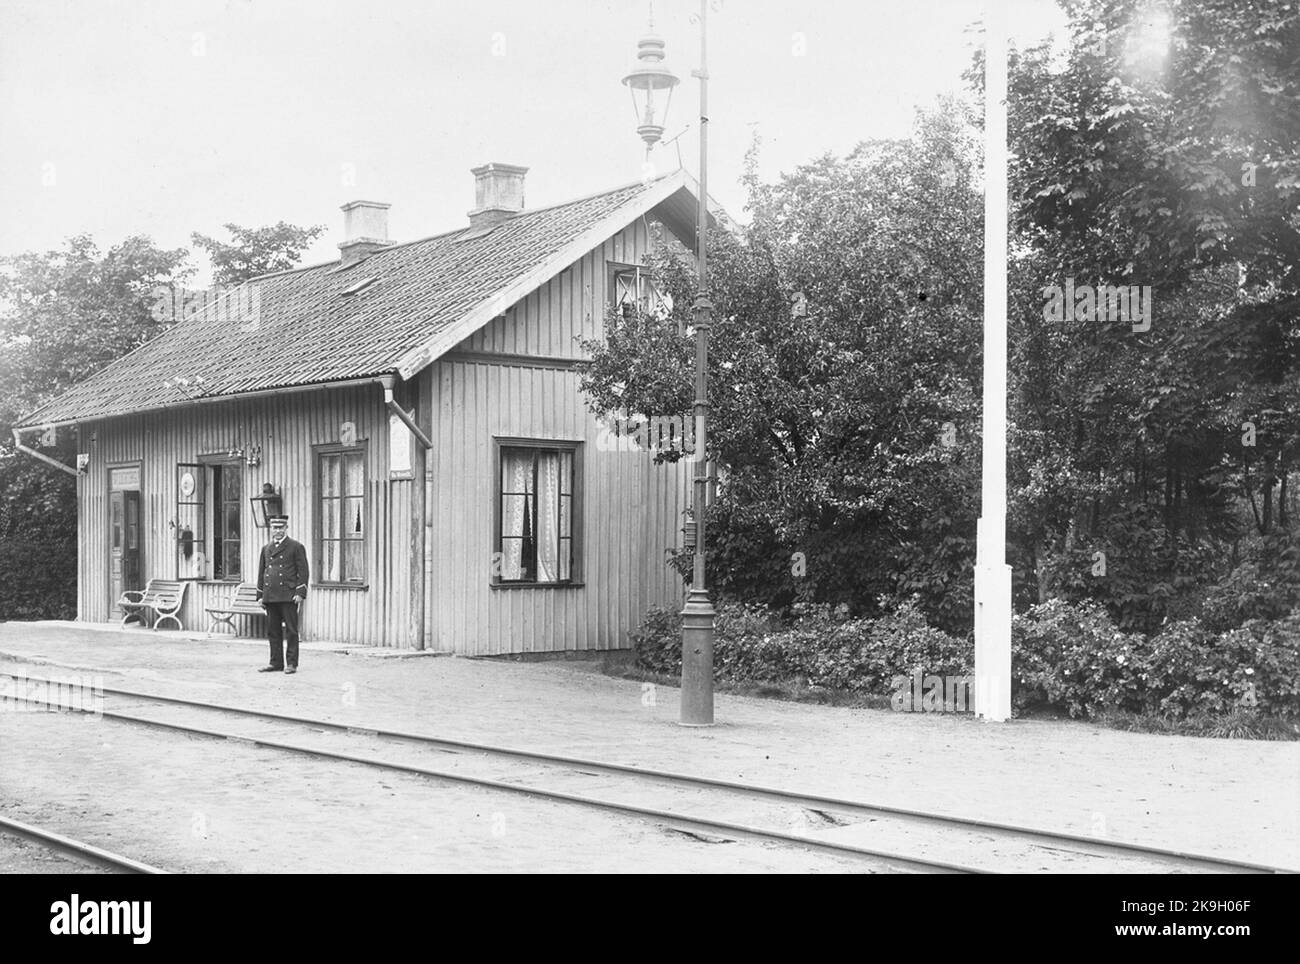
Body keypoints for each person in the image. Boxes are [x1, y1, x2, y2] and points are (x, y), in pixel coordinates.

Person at [256, 514, 309, 674]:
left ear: (286, 528)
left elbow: (304, 572)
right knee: (273, 631)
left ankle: (291, 663)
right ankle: (275, 662)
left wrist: (300, 592)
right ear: (271, 529)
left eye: (281, 527)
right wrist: (259, 595)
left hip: (288, 595)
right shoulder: (266, 548)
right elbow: (262, 573)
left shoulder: (295, 546)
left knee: (291, 631)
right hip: (271, 596)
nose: (278, 531)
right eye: (275, 528)